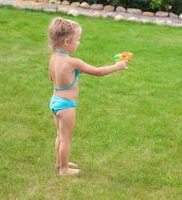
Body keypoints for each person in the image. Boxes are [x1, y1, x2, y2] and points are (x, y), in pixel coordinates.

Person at [48, 17, 127, 176]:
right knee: (66, 139)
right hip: (66, 105)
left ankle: (60, 162)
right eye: (78, 40)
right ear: (66, 42)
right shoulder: (73, 62)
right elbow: (97, 71)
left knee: (60, 135)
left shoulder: (54, 58)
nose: (79, 43)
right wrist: (117, 66)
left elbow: (51, 77)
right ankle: (64, 170)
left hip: (55, 101)